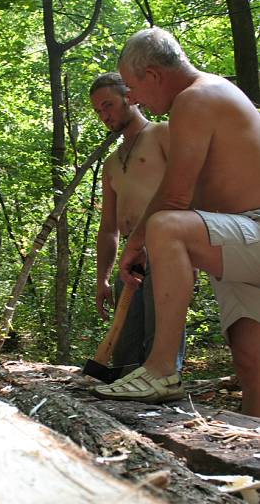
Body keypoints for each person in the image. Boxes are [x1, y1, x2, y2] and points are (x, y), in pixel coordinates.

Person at [94, 27, 260, 417]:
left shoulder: (196, 98)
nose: (131, 97)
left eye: (133, 86)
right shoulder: (208, 98)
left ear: (153, 74)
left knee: (167, 225)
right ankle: (249, 458)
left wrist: (134, 245)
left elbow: (174, 199)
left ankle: (161, 368)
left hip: (253, 227)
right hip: (238, 240)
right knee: (252, 365)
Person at [90, 72, 185, 372]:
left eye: (108, 105)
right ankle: (126, 413)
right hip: (129, 263)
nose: (104, 115)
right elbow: (108, 228)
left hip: (166, 249)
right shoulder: (112, 163)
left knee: (161, 347)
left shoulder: (163, 134)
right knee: (124, 355)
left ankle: (166, 412)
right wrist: (102, 278)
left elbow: (187, 190)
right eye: (98, 111)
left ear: (129, 97)